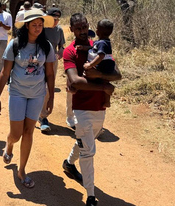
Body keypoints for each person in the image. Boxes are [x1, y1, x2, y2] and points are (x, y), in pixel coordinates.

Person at [62, 13, 122, 206]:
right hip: (80, 108)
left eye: (84, 26)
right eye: (77, 28)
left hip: (99, 107)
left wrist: (100, 74)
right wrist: (103, 85)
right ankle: (90, 196)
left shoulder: (98, 46)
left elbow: (117, 75)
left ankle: (69, 164)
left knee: (86, 141)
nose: (81, 31)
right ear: (71, 29)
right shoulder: (69, 52)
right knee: (88, 152)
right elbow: (75, 81)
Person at [0, 8, 56, 188]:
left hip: (37, 95)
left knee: (29, 132)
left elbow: (50, 74)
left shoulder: (47, 46)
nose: (38, 28)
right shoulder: (15, 44)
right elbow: (5, 73)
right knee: (16, 134)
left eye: (40, 25)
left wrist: (50, 97)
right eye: (34, 25)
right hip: (18, 93)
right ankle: (9, 144)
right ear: (27, 26)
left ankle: (21, 170)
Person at [77, 19, 116, 108]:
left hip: (104, 65)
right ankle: (106, 100)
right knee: (104, 81)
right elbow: (92, 48)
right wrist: (83, 48)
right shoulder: (101, 42)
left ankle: (106, 100)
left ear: (99, 31)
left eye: (97, 28)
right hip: (104, 64)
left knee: (95, 77)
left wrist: (90, 65)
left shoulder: (102, 43)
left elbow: (101, 55)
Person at [38, 7, 66, 132]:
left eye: (57, 19)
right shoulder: (40, 28)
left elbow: (61, 46)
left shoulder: (59, 30)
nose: (56, 22)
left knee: (48, 87)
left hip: (52, 62)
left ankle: (43, 116)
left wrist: (60, 52)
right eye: (53, 19)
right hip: (38, 60)